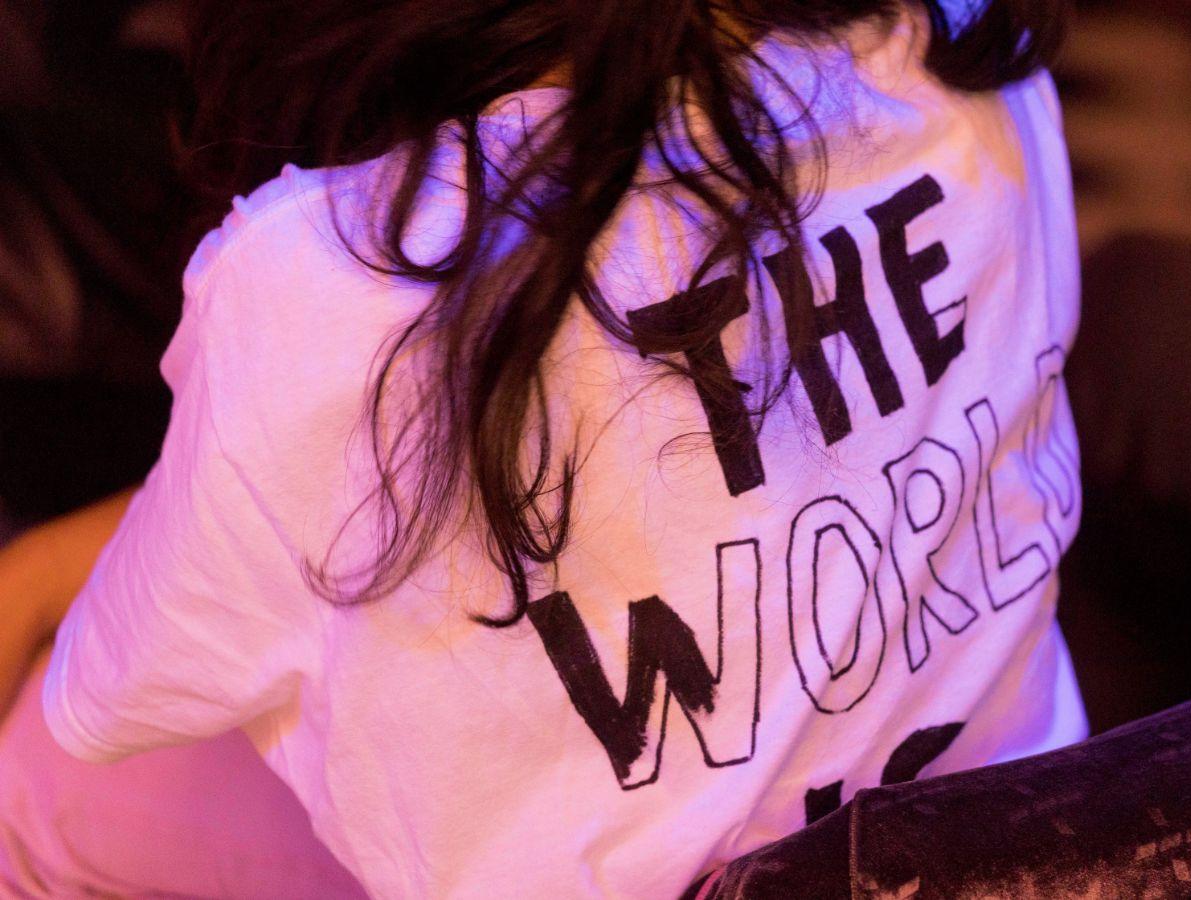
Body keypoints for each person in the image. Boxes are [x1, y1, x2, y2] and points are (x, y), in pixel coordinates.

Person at [10, 0, 1084, 896]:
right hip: (1034, 849)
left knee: (33, 785)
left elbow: (114, 697)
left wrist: (46, 574)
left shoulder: (330, 279)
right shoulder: (971, 62)